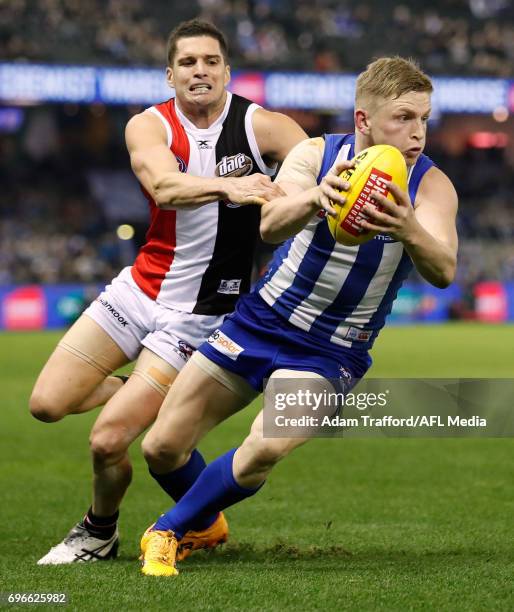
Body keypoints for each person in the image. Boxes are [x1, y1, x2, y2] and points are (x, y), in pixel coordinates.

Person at [137, 56, 459, 576]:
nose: (417, 132)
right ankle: (205, 521)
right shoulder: (316, 154)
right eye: (403, 118)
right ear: (363, 121)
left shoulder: (431, 186)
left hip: (331, 350)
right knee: (160, 447)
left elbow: (444, 269)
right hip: (259, 323)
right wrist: (317, 196)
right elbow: (267, 225)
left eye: (423, 118)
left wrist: (409, 229)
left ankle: (167, 530)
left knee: (265, 447)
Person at [32, 19, 307, 565]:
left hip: (199, 315)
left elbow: (315, 165)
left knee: (109, 440)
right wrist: (233, 185)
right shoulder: (147, 126)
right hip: (137, 290)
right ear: (169, 74)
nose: (199, 71)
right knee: (46, 404)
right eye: (187, 63)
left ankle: (98, 532)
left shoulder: (264, 127)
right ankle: (156, 397)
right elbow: (162, 186)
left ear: (228, 71)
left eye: (210, 61)